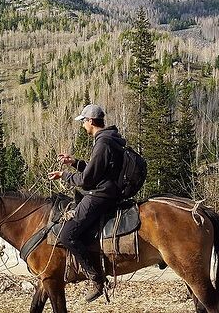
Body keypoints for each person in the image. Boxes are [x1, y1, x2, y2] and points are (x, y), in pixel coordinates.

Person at [48, 104, 125, 302]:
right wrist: (74, 162)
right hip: (108, 191)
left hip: (101, 195)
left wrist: (63, 176)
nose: (82, 125)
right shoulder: (108, 139)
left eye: (83, 121)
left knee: (67, 234)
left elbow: (88, 180)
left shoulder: (102, 143)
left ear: (91, 121)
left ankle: (96, 278)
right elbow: (96, 170)